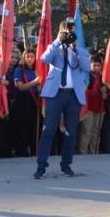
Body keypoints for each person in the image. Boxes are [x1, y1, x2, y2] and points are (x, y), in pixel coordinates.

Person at [34, 19, 90, 179]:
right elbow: (44, 59)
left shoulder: (81, 50)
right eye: (67, 31)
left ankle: (66, 165)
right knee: (48, 130)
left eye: (72, 32)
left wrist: (75, 48)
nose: (69, 34)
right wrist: (58, 41)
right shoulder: (55, 49)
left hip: (74, 96)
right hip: (55, 94)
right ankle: (41, 166)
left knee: (71, 132)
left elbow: (86, 68)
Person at [11, 49, 40, 158]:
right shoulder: (19, 70)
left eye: (32, 57)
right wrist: (35, 82)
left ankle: (33, 151)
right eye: (27, 56)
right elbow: (21, 87)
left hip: (34, 101)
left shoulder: (37, 70)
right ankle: (21, 152)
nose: (30, 59)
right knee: (22, 128)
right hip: (22, 101)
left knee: (33, 127)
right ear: (24, 57)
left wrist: (39, 86)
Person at [78, 56, 107, 155]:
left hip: (100, 108)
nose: (96, 67)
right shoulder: (86, 77)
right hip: (88, 109)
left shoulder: (104, 78)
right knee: (86, 132)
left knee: (96, 133)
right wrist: (98, 91)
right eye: (94, 65)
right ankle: (83, 153)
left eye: (98, 65)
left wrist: (105, 94)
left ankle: (94, 153)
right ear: (90, 65)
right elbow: (85, 92)